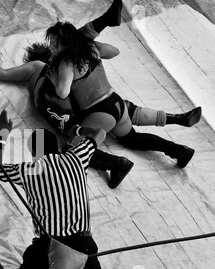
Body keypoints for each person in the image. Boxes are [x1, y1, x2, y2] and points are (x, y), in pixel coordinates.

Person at [0, 110, 112, 269]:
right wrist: (77, 130)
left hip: (51, 246)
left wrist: (3, 134)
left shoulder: (27, 170)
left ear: (33, 153)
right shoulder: (76, 157)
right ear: (56, 146)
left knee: (30, 268)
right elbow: (100, 133)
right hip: (83, 244)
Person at [45, 21, 196, 168]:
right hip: (116, 103)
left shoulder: (66, 63)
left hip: (99, 110)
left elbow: (63, 93)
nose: (51, 47)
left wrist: (54, 80)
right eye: (50, 42)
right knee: (133, 139)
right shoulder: (91, 48)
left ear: (65, 42)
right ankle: (180, 151)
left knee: (72, 149)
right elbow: (115, 51)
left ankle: (117, 165)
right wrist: (91, 43)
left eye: (54, 43)